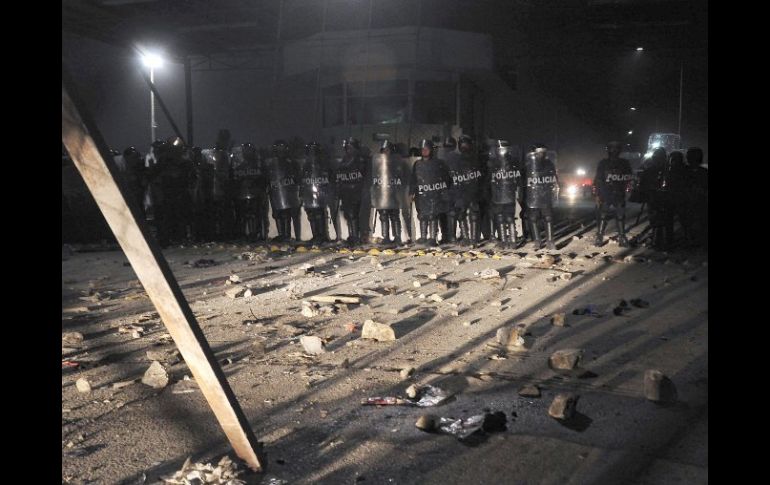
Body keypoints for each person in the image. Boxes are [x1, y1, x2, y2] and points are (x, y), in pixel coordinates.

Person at [410, 139, 452, 246]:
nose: (424, 151)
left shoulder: (438, 163)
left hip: (434, 194)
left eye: (426, 149)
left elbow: (446, 178)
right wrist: (411, 192)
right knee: (423, 215)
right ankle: (424, 237)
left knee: (433, 216)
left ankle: (433, 238)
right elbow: (413, 179)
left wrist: (444, 191)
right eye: (422, 149)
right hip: (422, 194)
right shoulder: (417, 164)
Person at [593, 141, 633, 247]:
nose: (614, 151)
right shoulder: (603, 163)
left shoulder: (624, 163)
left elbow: (629, 178)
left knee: (620, 216)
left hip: (619, 193)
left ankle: (622, 237)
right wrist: (597, 194)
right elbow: (598, 179)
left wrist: (628, 190)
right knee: (602, 215)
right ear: (608, 150)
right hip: (606, 193)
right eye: (612, 148)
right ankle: (599, 237)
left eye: (616, 148)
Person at [523, 144, 559, 250]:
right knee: (533, 218)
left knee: (548, 217)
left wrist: (554, 190)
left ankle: (550, 241)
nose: (541, 155)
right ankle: (537, 241)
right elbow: (524, 179)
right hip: (533, 195)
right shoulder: (529, 164)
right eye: (539, 153)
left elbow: (554, 178)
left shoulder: (549, 164)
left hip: (546, 195)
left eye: (543, 152)